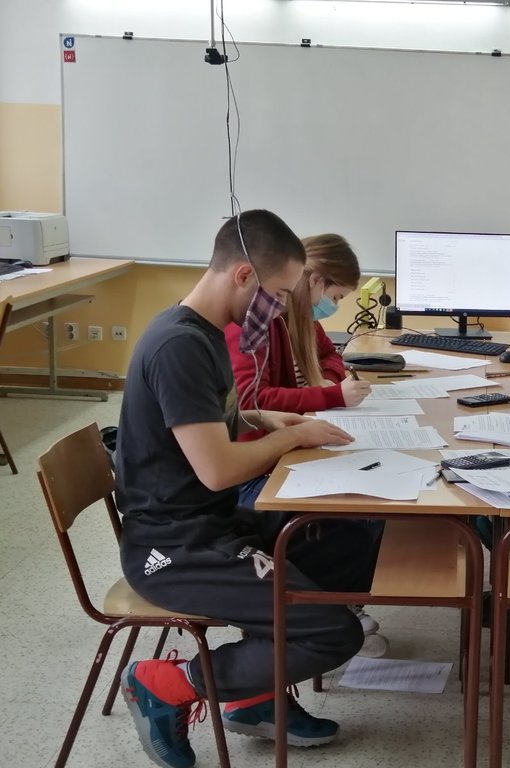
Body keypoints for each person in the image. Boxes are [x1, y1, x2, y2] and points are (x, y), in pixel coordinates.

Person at [115, 210, 371, 768]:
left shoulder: (203, 333)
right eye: (277, 294)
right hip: (174, 546)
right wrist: (292, 435)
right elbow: (217, 470)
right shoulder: (179, 346)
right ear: (243, 276)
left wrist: (260, 418)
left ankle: (254, 691)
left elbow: (206, 425)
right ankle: (166, 683)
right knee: (333, 634)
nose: (280, 309)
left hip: (215, 520)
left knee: (353, 536)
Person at [225, 233, 388, 658]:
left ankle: (339, 604)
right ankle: (327, 611)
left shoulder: (300, 320)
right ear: (311, 280)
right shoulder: (254, 323)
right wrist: (329, 395)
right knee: (357, 513)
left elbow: (332, 357)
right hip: (255, 468)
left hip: (286, 449)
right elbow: (253, 399)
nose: (332, 307)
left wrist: (327, 381)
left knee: (373, 498)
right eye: (334, 297)